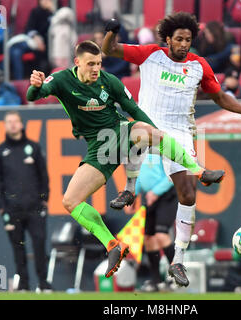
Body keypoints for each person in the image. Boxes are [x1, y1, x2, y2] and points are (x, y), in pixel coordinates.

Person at [26, 40, 226, 280]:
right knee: (70, 201)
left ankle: (199, 171)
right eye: (90, 64)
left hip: (119, 132)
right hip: (100, 150)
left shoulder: (109, 81)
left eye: (99, 63)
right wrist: (35, 86)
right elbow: (34, 95)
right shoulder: (61, 80)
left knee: (145, 128)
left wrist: (155, 133)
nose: (95, 68)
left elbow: (134, 110)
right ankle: (113, 245)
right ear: (77, 62)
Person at [102, 12, 241, 287]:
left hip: (180, 131)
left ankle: (177, 260)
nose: (183, 44)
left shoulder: (198, 65)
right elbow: (109, 49)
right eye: (179, 39)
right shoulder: (150, 54)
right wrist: (111, 32)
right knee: (135, 134)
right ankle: (129, 189)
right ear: (167, 39)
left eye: (188, 40)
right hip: (150, 123)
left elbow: (220, 97)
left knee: (188, 194)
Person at [0, 110, 52, 292]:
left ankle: (43, 284)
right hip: (12, 210)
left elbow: (44, 176)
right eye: (9, 122)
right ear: (5, 125)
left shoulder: (33, 147)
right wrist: (1, 207)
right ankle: (23, 285)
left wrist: (44, 200)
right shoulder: (0, 152)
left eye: (15, 121)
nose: (12, 125)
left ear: (21, 124)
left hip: (35, 208)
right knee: (18, 248)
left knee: (40, 245)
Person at [124, 154, 178, 292]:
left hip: (166, 196)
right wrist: (131, 196)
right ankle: (156, 281)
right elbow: (136, 177)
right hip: (149, 198)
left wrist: (156, 192)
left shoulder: (159, 148)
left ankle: (176, 276)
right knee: (148, 238)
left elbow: (171, 176)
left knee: (161, 235)